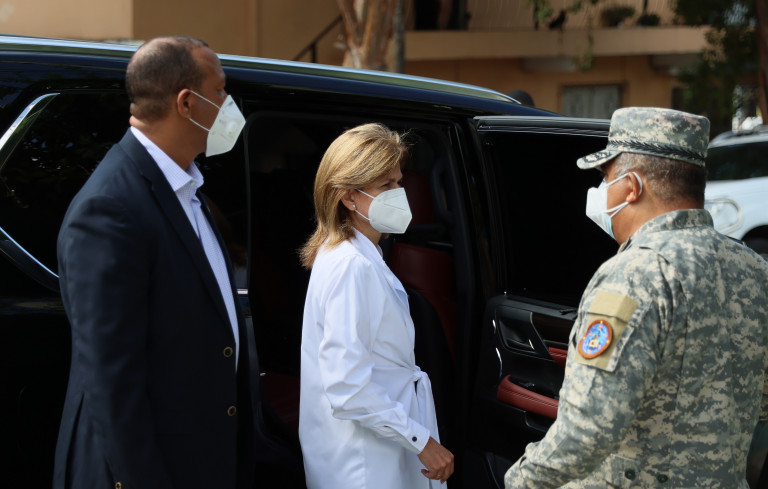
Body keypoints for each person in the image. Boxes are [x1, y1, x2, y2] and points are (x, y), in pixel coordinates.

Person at [504, 107, 768, 488]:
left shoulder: (634, 274)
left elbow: (589, 427)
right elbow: (762, 401)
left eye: (605, 178)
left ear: (631, 186)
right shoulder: (754, 268)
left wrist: (520, 481)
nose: (600, 192)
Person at [54, 36, 256, 489]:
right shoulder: (111, 207)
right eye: (220, 90)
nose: (228, 103)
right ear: (187, 103)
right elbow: (112, 381)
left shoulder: (187, 190)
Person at [298, 123, 454, 488]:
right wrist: (422, 441)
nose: (398, 193)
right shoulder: (350, 265)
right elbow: (347, 386)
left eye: (399, 182)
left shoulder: (359, 255)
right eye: (385, 185)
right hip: (365, 463)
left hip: (375, 450)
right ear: (349, 197)